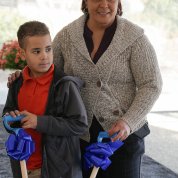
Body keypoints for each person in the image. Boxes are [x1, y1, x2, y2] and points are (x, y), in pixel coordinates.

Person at [7, 0, 163, 178]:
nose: (104, 4)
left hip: (122, 138)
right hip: (78, 137)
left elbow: (151, 84)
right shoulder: (66, 36)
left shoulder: (136, 38)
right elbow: (47, 71)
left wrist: (128, 122)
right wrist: (23, 74)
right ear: (85, 2)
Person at [3, 21, 88, 178]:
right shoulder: (17, 83)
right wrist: (9, 118)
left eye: (48, 49)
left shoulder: (65, 85)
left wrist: (39, 122)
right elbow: (8, 110)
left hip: (57, 170)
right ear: (22, 54)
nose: (45, 56)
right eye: (36, 51)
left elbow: (79, 125)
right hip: (22, 165)